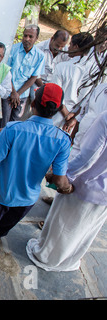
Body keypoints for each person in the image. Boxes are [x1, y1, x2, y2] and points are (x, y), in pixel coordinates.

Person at [0, 83, 74, 272]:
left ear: (33, 103)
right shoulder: (62, 139)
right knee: (7, 223)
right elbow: (59, 180)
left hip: (1, 190)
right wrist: (66, 186)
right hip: (28, 197)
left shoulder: (13, 129)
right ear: (58, 110)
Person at [26, 110, 107, 272]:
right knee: (83, 228)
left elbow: (88, 156)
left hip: (84, 184)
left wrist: (64, 176)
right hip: (103, 192)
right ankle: (68, 260)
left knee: (64, 225)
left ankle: (47, 257)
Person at [1, 24, 45, 128]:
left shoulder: (40, 56)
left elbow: (33, 77)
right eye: (25, 36)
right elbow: (5, 72)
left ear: (36, 38)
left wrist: (18, 94)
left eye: (30, 37)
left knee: (16, 123)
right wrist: (13, 92)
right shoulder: (13, 49)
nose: (26, 39)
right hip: (8, 92)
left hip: (23, 95)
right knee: (3, 123)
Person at [49, 32, 95, 129]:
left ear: (76, 47)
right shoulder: (93, 71)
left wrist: (67, 114)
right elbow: (87, 100)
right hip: (73, 118)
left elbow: (55, 94)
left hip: (57, 114)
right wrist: (73, 117)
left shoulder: (63, 67)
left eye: (70, 45)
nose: (68, 48)